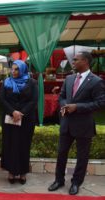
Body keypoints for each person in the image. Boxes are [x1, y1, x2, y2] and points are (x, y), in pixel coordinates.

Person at [48, 52, 105, 195]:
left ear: (85, 61)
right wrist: (64, 105)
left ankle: (76, 182)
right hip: (66, 123)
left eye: (75, 60)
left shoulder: (96, 81)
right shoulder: (69, 78)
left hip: (84, 125)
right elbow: (62, 97)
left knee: (82, 156)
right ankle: (58, 180)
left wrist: (77, 107)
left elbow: (100, 103)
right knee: (61, 154)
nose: (72, 62)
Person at [0, 60, 38, 185]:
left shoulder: (31, 82)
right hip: (9, 119)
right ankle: (11, 171)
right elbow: (2, 99)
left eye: (16, 69)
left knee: (23, 145)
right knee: (10, 144)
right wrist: (13, 112)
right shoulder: (6, 82)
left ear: (22, 70)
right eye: (12, 69)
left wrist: (21, 113)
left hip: (26, 119)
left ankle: (23, 173)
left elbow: (33, 100)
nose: (13, 71)